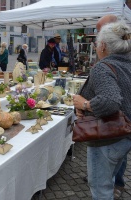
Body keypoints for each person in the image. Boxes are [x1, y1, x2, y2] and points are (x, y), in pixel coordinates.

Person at [73, 19, 131, 199]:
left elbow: (110, 101)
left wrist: (84, 104)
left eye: (97, 43)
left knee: (101, 189)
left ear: (103, 45)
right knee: (108, 181)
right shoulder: (126, 64)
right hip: (123, 136)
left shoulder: (103, 67)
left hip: (107, 139)